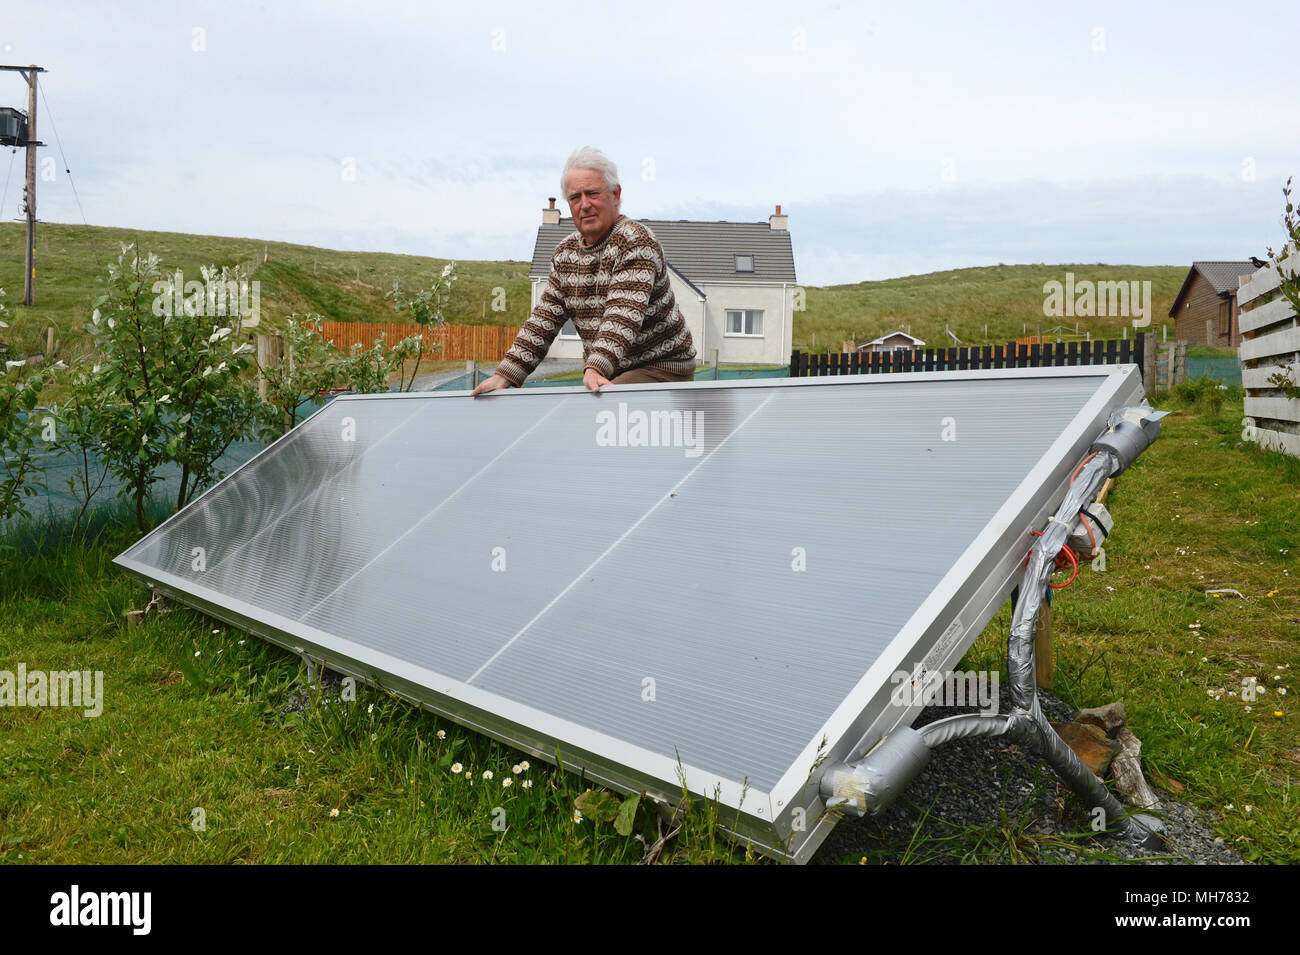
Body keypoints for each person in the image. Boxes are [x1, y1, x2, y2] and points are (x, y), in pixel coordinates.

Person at [471, 146, 696, 396]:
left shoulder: (635, 241)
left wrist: (596, 366)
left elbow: (622, 316)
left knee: (596, 414)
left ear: (615, 195)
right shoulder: (565, 254)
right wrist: (506, 374)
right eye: (575, 198)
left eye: (593, 193)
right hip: (612, 369)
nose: (584, 205)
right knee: (592, 408)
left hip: (660, 366)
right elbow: (544, 320)